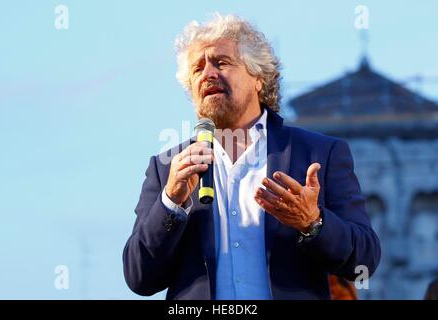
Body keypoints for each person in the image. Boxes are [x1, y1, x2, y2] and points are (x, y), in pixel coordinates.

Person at [123, 14, 381, 300]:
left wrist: (313, 222)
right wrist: (170, 203)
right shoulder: (167, 168)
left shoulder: (319, 154)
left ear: (259, 78)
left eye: (221, 62)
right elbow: (139, 277)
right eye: (197, 69)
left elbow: (364, 262)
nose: (208, 73)